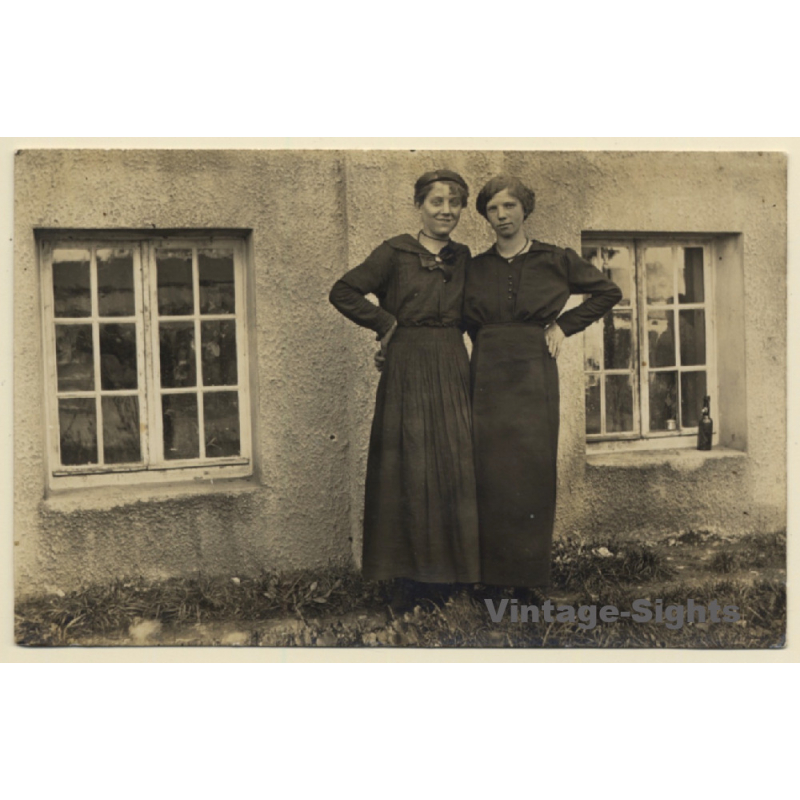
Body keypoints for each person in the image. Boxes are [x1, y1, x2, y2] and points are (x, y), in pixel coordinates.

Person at [463, 175, 622, 589]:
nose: (502, 216)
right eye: (493, 209)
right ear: (485, 216)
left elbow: (607, 291)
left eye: (509, 206)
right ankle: (492, 581)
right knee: (490, 474)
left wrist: (564, 327)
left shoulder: (556, 259)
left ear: (525, 209)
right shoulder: (475, 268)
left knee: (532, 473)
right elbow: (459, 320)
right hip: (486, 376)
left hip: (534, 373)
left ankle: (529, 580)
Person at [329, 169, 480, 586]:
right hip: (407, 366)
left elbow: (478, 316)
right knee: (407, 464)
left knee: (455, 463)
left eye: (454, 203)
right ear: (419, 206)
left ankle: (455, 578)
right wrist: (385, 325)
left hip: (452, 361)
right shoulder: (393, 253)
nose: (446, 210)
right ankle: (405, 583)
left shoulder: (465, 258)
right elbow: (343, 291)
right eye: (436, 202)